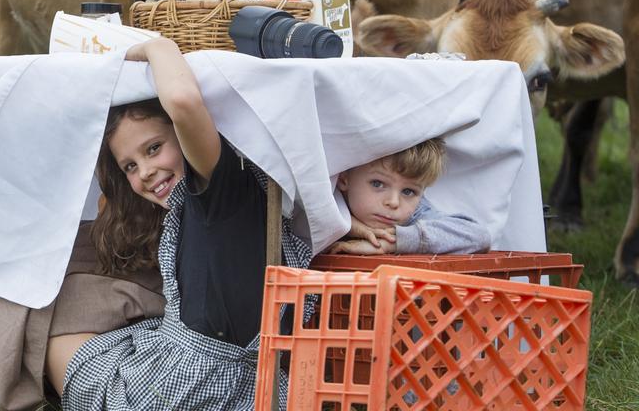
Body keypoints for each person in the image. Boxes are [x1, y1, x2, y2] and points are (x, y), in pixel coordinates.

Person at [46, 37, 312, 410]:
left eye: (154, 148)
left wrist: (153, 46)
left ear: (185, 136)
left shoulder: (223, 193)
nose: (146, 173)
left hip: (176, 393)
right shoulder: (249, 197)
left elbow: (184, 102)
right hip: (252, 392)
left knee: (52, 334)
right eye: (130, 167)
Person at [328, 137, 492, 255]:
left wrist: (392, 242)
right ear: (343, 178)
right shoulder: (323, 197)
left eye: (408, 191)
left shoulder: (415, 215)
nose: (393, 202)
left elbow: (478, 236)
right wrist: (351, 225)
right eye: (377, 184)